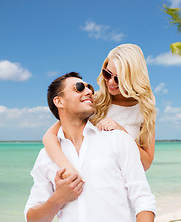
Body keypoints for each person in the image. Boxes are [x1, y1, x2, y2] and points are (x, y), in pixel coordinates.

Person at [24, 72, 156, 222]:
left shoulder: (118, 139)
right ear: (59, 101)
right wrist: (58, 198)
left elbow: (143, 200)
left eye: (90, 88)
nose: (88, 91)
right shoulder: (46, 158)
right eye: (79, 88)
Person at [43, 44, 156, 180]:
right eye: (107, 74)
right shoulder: (93, 100)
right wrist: (66, 167)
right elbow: (49, 137)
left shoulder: (144, 110)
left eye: (119, 79)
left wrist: (123, 134)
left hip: (123, 189)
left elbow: (146, 164)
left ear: (132, 78)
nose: (111, 83)